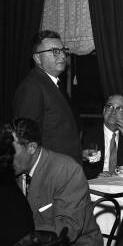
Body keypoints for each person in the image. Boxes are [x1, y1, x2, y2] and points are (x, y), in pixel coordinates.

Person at [11, 118, 103, 246]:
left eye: (11, 151)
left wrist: (20, 239)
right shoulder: (15, 170)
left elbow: (69, 229)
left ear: (32, 148)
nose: (5, 157)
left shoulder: (66, 170)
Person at [13, 30, 81, 162]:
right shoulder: (32, 87)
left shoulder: (54, 84)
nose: (62, 56)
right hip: (48, 175)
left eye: (63, 50)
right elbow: (26, 139)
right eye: (55, 51)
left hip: (63, 169)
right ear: (37, 58)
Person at [82, 94, 123, 179]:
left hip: (122, 188)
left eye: (119, 108)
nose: (113, 112)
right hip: (94, 187)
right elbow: (75, 164)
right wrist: (95, 176)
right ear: (104, 110)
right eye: (110, 107)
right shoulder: (88, 134)